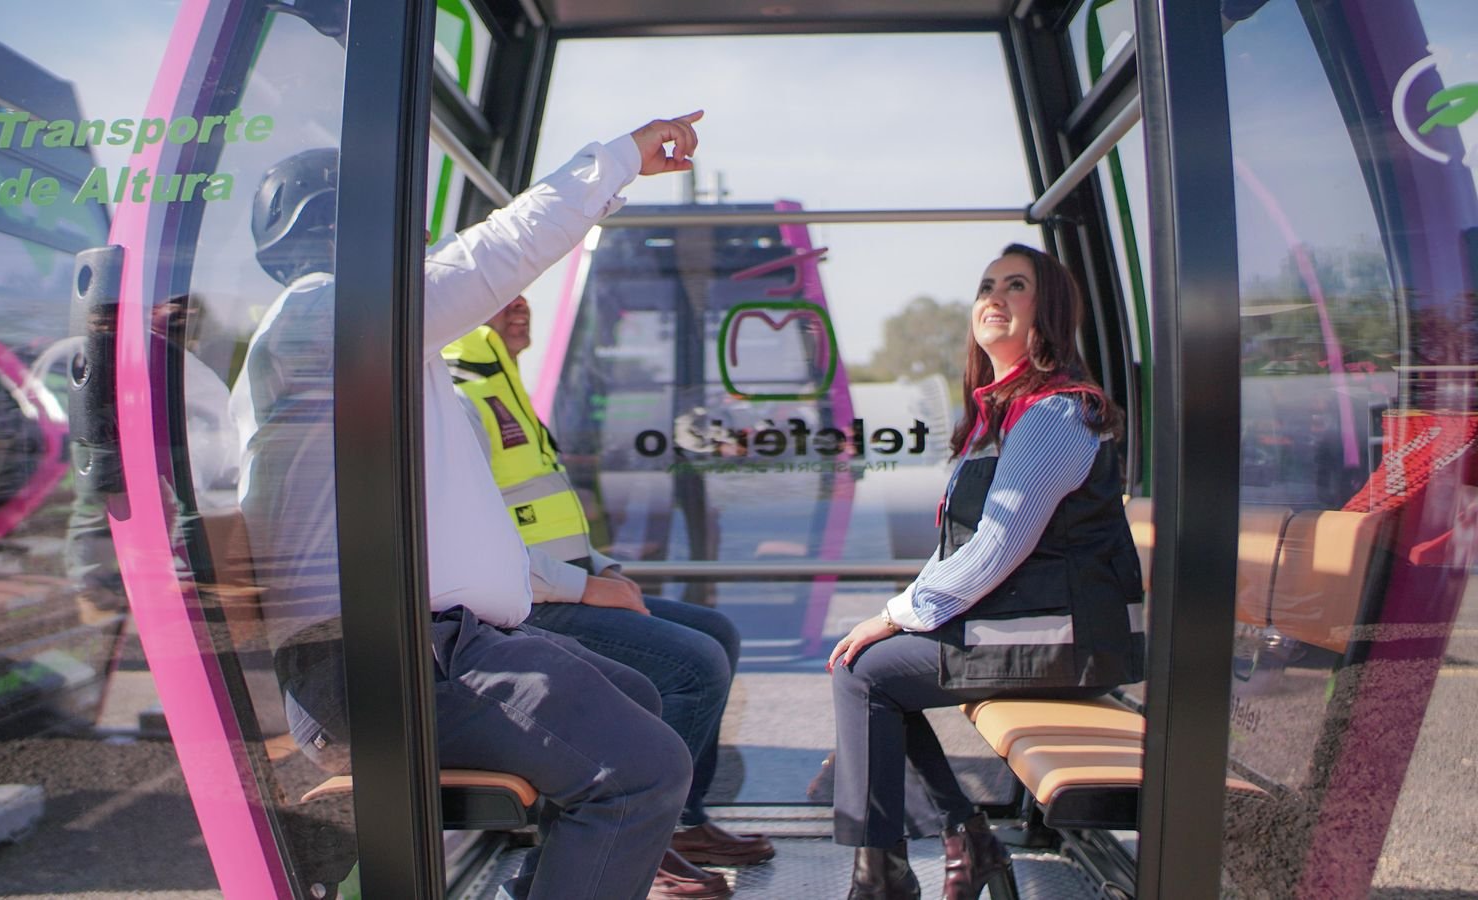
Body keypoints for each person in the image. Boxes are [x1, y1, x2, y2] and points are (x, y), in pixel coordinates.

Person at [233, 112, 719, 900]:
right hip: (387, 666)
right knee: (643, 768)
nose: (418, 243)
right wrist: (617, 160)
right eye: (401, 224)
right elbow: (496, 252)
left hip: (427, 648)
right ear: (349, 230)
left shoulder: (363, 349)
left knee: (637, 696)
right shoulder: (325, 316)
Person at [825, 244, 1145, 900]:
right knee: (870, 670)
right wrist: (900, 615)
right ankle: (960, 842)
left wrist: (896, 615)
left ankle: (891, 875)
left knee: (864, 675)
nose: (994, 297)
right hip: (1037, 628)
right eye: (986, 286)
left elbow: (999, 546)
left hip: (1068, 641)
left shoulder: (1056, 412)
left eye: (1016, 286)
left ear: (1048, 311)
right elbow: (960, 547)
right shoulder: (1001, 413)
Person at [444, 296, 775, 881]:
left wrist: (606, 568)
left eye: (524, 291)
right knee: (694, 664)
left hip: (562, 584)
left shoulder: (503, 384)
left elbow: (543, 509)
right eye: (500, 293)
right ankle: (644, 839)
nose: (520, 303)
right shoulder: (461, 396)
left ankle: (679, 822)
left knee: (716, 631)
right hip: (520, 607)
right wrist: (584, 587)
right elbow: (473, 544)